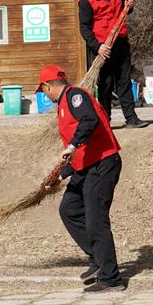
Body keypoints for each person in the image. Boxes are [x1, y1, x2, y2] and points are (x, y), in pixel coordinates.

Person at [38, 65, 126, 293]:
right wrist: (62, 175)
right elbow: (79, 154)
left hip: (103, 165)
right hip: (87, 168)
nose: (45, 96)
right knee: (70, 209)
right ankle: (97, 258)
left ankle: (111, 278)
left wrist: (72, 145)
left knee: (96, 220)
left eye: (43, 91)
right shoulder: (64, 105)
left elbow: (89, 121)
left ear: (48, 86)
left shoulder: (75, 97)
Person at [78, 0, 148, 128]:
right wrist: (98, 46)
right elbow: (85, 28)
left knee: (124, 81)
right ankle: (105, 121)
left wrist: (129, 7)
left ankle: (131, 118)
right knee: (105, 84)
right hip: (102, 48)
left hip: (121, 42)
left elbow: (125, 10)